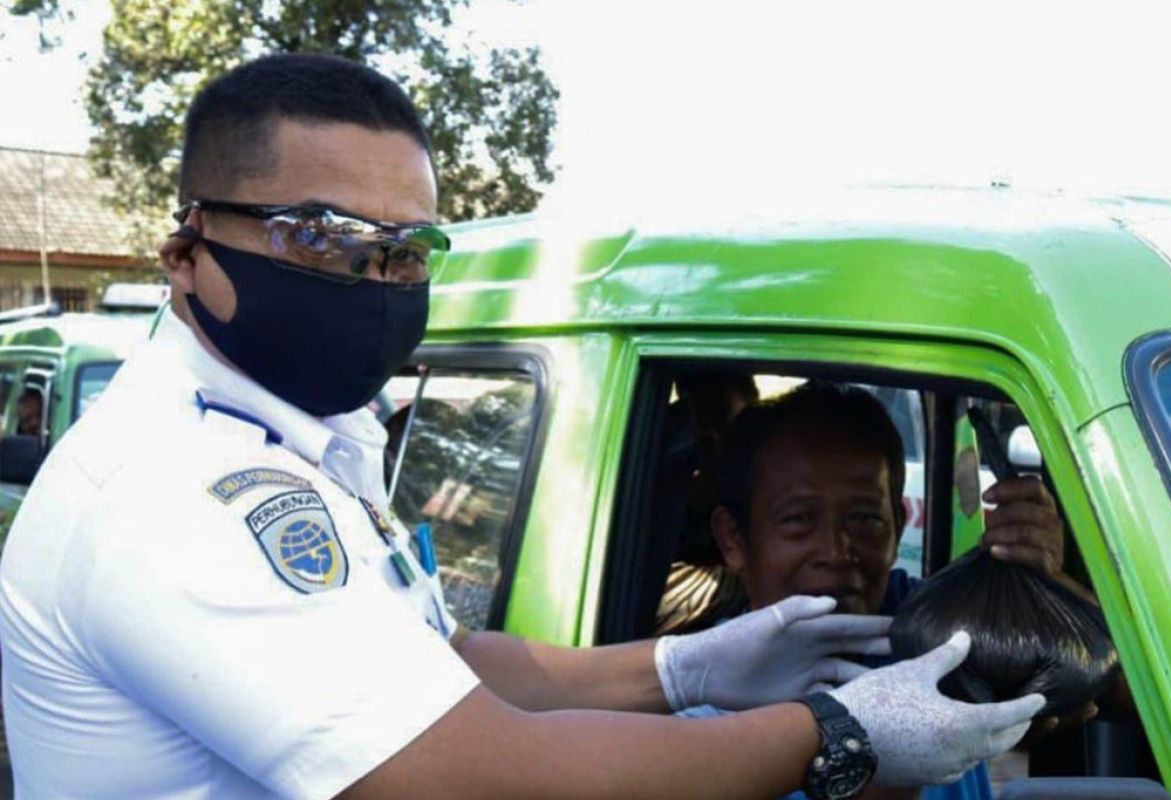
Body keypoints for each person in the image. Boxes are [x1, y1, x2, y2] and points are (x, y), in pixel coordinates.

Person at [0, 54, 1045, 800]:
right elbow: (473, 768)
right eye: (323, 239)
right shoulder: (177, 493)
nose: (379, 278)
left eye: (408, 250)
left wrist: (685, 670)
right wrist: (833, 733)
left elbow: (441, 658)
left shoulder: (304, 433)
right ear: (187, 249)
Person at [681, 381, 1077, 799]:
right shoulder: (705, 710)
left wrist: (1045, 586)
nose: (836, 551)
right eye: (799, 520)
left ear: (899, 522)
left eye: (865, 518)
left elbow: (1115, 685)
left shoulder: (935, 630)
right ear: (733, 539)